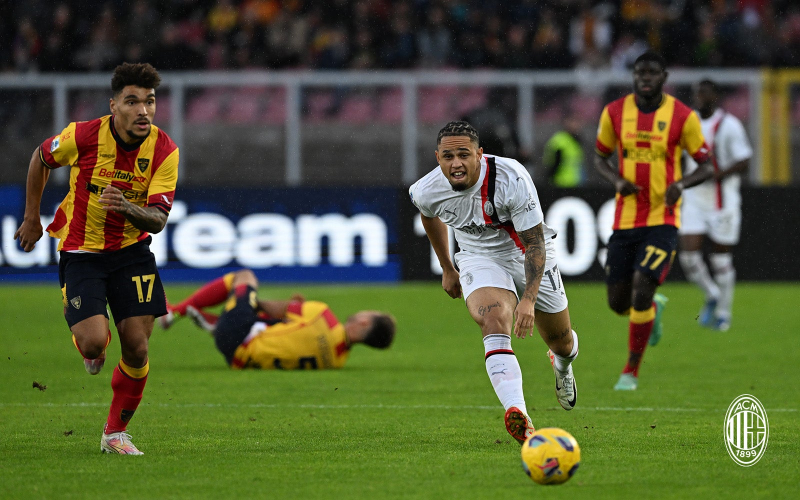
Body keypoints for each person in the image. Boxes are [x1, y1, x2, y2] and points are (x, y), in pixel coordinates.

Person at [14, 63, 179, 455]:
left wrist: (125, 206)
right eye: (132, 101)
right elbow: (41, 157)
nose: (143, 110)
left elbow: (158, 220)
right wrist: (32, 217)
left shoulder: (164, 150)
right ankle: (95, 342)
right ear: (113, 105)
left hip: (132, 254)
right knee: (91, 344)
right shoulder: (84, 135)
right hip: (82, 253)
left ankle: (114, 434)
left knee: (137, 348)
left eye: (149, 101)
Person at [409, 120, 579, 445]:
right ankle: (519, 414)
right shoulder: (426, 189)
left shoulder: (511, 178)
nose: (456, 163)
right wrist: (447, 267)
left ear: (479, 154)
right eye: (448, 156)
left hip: (524, 251)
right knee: (493, 320)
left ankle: (562, 365)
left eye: (464, 154)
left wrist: (528, 300)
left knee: (562, 342)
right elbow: (428, 215)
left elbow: (535, 244)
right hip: (478, 256)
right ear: (438, 157)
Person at [594, 51, 713, 391]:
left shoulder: (682, 116)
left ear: (664, 77)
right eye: (639, 72)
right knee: (619, 303)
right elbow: (600, 157)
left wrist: (681, 185)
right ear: (633, 76)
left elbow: (706, 165)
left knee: (643, 285)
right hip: (625, 219)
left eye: (651, 72)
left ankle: (630, 371)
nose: (645, 78)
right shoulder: (615, 112)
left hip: (663, 218)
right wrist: (617, 180)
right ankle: (652, 310)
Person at [159, 269, 396, 369]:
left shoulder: (323, 315)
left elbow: (269, 306)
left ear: (365, 323)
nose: (363, 312)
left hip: (239, 333)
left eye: (369, 312)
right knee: (279, 327)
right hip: (239, 360)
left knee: (244, 277)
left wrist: (248, 300)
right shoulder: (337, 360)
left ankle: (175, 312)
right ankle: (217, 324)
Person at [678, 80, 752, 332]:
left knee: (721, 259)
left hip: (723, 202)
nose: (700, 98)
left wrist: (720, 174)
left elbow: (744, 160)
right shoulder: (687, 123)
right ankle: (712, 293)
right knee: (688, 257)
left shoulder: (729, 125)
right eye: (697, 93)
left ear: (715, 97)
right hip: (694, 199)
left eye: (705, 94)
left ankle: (723, 313)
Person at [543, 113, 585, 187]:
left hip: (575, 183)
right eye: (573, 121)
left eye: (578, 122)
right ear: (566, 123)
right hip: (560, 183)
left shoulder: (576, 141)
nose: (576, 125)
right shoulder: (560, 140)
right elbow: (553, 164)